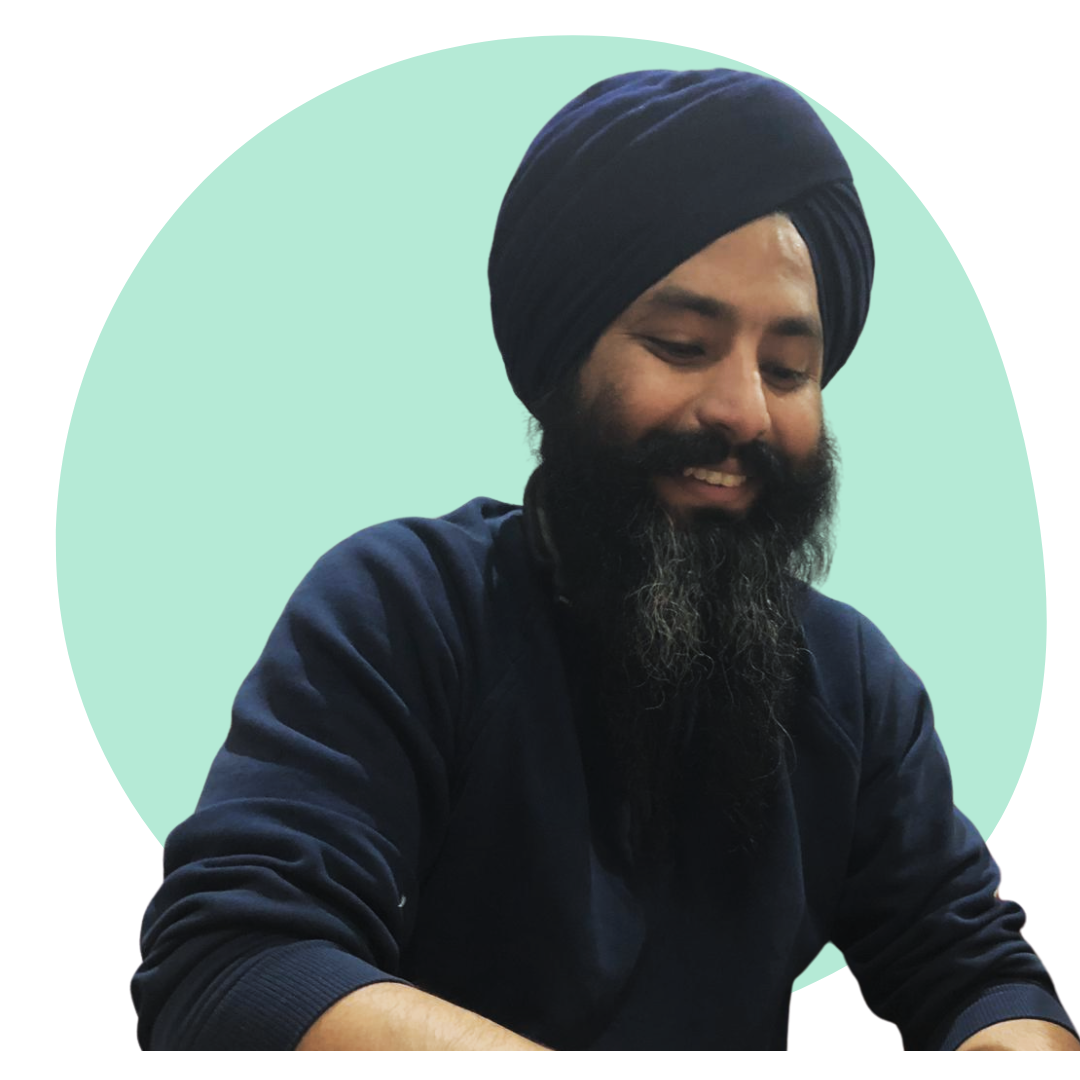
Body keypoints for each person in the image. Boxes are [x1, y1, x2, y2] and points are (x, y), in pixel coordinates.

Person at [129, 66, 1080, 1052]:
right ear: (562, 364)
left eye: (789, 368)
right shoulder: (404, 609)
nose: (745, 411)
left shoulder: (853, 684)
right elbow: (233, 968)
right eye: (681, 345)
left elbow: (975, 974)